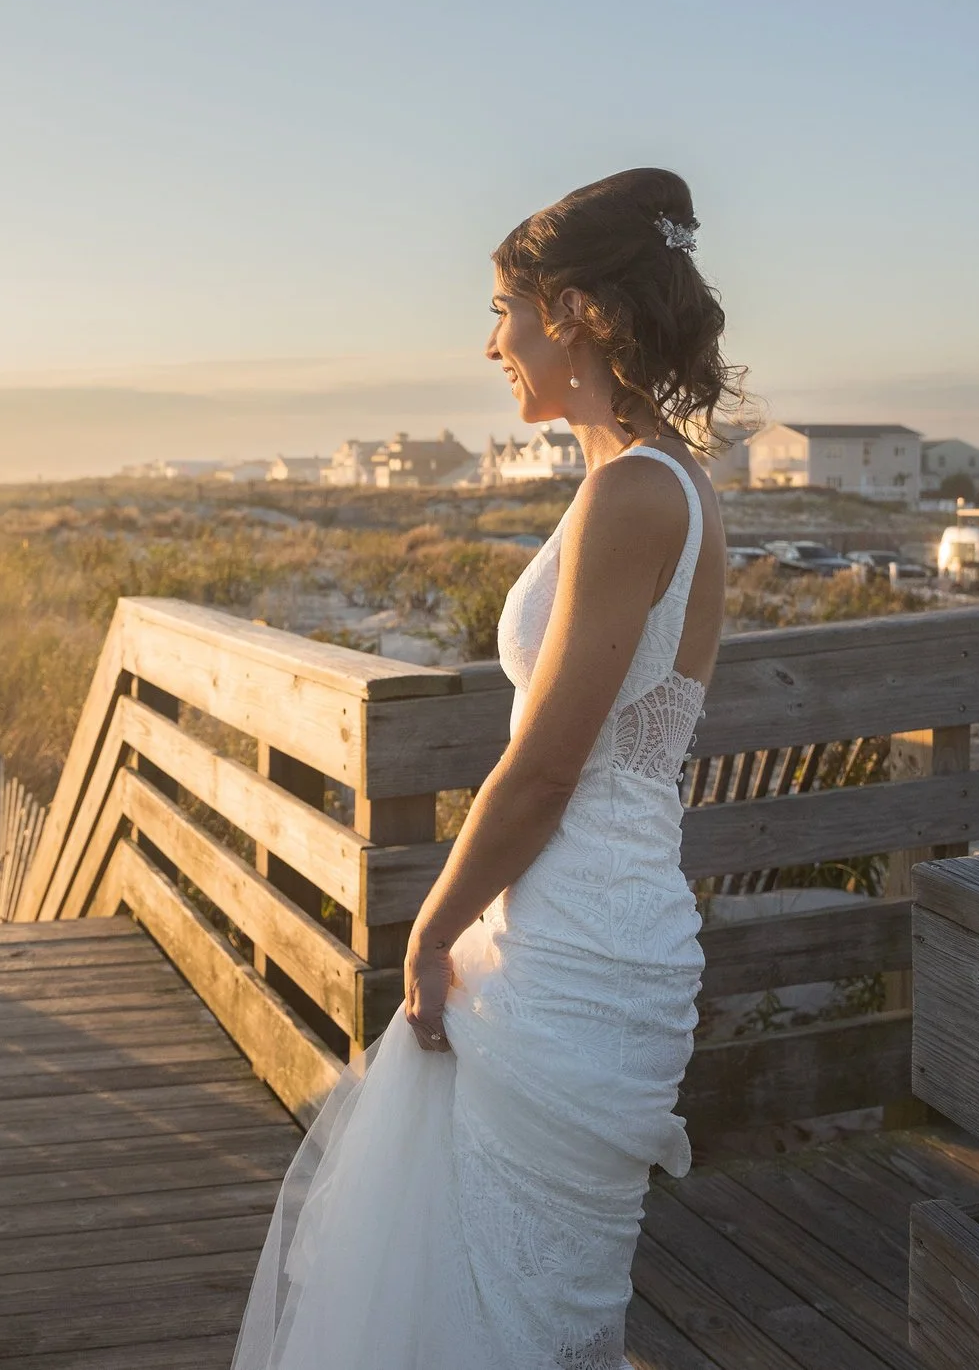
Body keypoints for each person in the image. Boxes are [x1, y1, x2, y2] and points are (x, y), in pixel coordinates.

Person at [232, 168, 738, 1368]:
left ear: (568, 311)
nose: (489, 341)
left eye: (500, 309)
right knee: (515, 1294)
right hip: (578, 920)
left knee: (520, 1307)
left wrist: (429, 925)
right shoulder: (643, 477)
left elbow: (544, 767)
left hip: (579, 945)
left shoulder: (635, 492)